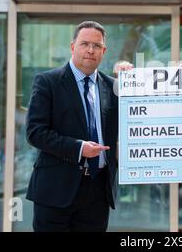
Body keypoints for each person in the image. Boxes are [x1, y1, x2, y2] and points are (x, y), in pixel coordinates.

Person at [26, 21, 127, 232]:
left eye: (97, 46)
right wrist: (79, 148)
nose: (91, 50)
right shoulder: (48, 82)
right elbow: (36, 133)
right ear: (73, 47)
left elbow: (138, 116)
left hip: (98, 193)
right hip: (55, 191)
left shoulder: (113, 86)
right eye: (85, 44)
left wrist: (132, 79)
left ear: (104, 51)